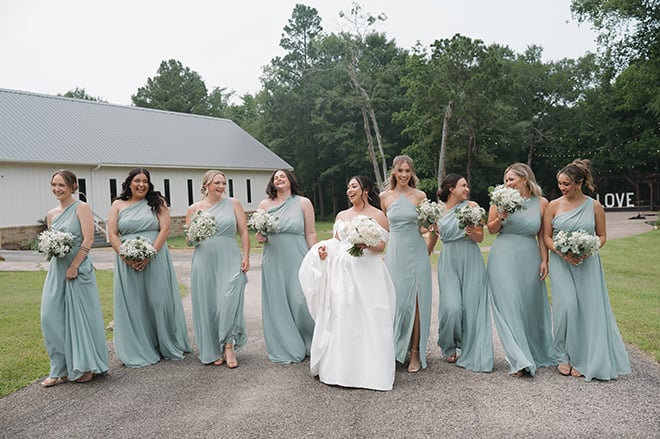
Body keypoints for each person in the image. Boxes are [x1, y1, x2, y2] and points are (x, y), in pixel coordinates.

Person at [299, 175, 396, 391]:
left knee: (370, 316)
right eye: (348, 187)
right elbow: (336, 242)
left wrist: (366, 243)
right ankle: (340, 370)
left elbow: (381, 246)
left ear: (365, 189)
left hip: (368, 271)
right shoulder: (342, 215)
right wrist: (324, 251)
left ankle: (370, 369)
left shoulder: (378, 215)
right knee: (342, 313)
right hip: (341, 271)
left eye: (354, 186)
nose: (349, 190)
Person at [542, 159, 631, 381]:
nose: (562, 188)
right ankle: (562, 355)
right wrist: (561, 253)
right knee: (567, 308)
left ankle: (583, 358)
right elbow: (545, 236)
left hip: (587, 263)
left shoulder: (594, 206)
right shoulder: (553, 206)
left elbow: (602, 236)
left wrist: (588, 249)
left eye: (567, 184)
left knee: (588, 311)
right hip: (562, 263)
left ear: (580, 183)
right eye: (560, 183)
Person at [108, 168, 191, 367]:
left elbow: (165, 229)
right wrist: (126, 257)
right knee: (135, 303)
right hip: (127, 260)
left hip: (156, 258)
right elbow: (112, 234)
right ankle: (139, 347)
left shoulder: (157, 202)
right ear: (129, 183)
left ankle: (164, 344)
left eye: (145, 181)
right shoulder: (118, 205)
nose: (141, 184)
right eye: (137, 180)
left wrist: (150, 254)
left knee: (159, 300)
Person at [40, 170, 109, 387]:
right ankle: (59, 368)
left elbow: (88, 239)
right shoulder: (51, 214)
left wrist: (75, 265)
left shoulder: (82, 208)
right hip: (57, 270)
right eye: (54, 185)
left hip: (78, 269)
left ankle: (85, 365)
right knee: (50, 317)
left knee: (80, 318)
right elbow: (51, 240)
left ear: (72, 186)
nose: (57, 189)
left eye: (61, 185)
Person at [486, 163, 555, 377]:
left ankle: (533, 351)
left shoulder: (542, 203)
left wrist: (545, 260)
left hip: (529, 256)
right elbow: (491, 229)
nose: (508, 183)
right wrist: (501, 215)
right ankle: (518, 358)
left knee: (529, 305)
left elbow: (543, 236)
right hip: (503, 255)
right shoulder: (499, 200)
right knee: (509, 305)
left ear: (525, 179)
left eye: (511, 179)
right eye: (506, 180)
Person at [428, 174, 493, 372]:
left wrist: (474, 234)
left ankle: (470, 346)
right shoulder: (437, 212)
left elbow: (481, 237)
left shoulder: (473, 207)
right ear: (451, 189)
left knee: (472, 306)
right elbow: (432, 238)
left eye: (467, 185)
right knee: (452, 308)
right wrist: (425, 254)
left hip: (471, 259)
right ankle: (448, 344)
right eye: (463, 185)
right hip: (449, 260)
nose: (467, 189)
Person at [186, 170, 249, 368]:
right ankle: (213, 349)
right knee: (209, 304)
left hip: (230, 256)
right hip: (204, 260)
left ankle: (229, 346)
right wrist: (196, 233)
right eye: (217, 183)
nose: (221, 186)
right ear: (206, 185)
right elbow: (190, 240)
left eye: (223, 183)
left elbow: (244, 231)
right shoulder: (194, 209)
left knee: (228, 300)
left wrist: (246, 256)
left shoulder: (234, 203)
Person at [255, 169, 316, 363]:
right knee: (278, 302)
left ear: (290, 180)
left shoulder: (303, 203)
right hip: (273, 258)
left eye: (283, 176)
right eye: (275, 177)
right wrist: (260, 236)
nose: (279, 178)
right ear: (272, 183)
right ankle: (288, 345)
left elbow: (311, 233)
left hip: (298, 255)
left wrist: (315, 255)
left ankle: (312, 341)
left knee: (301, 299)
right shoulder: (264, 204)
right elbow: (259, 233)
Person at [379, 155, 432, 373]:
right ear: (393, 172)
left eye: (407, 171)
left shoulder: (420, 196)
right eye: (400, 171)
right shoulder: (384, 196)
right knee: (397, 301)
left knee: (417, 301)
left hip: (416, 250)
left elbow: (425, 227)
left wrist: (431, 226)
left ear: (412, 173)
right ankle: (394, 348)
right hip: (396, 252)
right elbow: (385, 227)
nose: (403, 175)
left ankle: (415, 353)